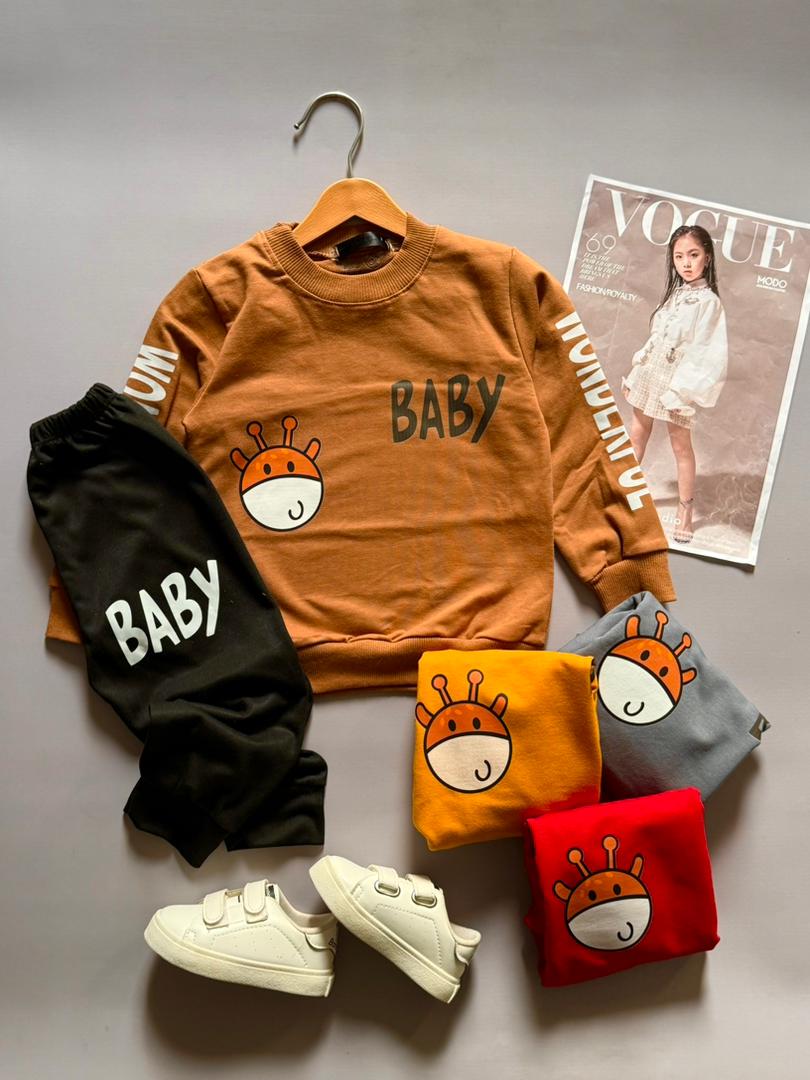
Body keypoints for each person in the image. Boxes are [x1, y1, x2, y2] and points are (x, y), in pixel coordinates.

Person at [623, 225, 728, 544]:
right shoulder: (676, 295)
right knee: (636, 435)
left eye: (693, 255)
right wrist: (639, 367)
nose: (686, 263)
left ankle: (685, 511)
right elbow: (659, 336)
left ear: (707, 257)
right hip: (651, 372)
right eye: (679, 256)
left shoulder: (709, 303)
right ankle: (620, 494)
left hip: (677, 378)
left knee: (681, 446)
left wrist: (681, 390)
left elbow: (705, 351)